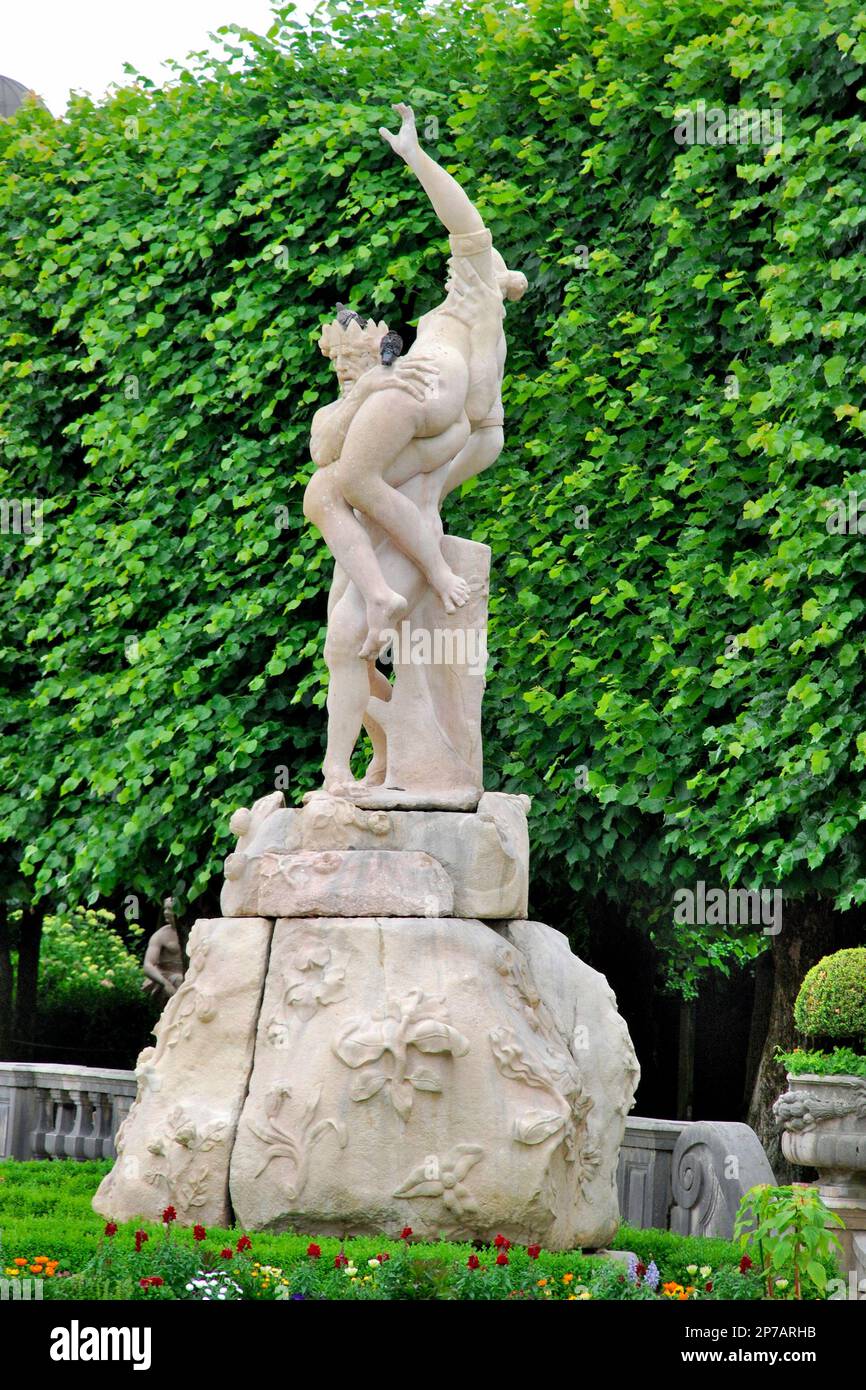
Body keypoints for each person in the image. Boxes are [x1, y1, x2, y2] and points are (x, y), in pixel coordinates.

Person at [303, 102, 527, 793]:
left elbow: (466, 224)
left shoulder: (474, 302)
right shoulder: (470, 330)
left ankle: (362, 757)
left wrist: (416, 156)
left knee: (333, 489)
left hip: (417, 413)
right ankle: (357, 764)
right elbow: (471, 445)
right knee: (344, 635)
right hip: (416, 432)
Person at [141, 897, 184, 1005]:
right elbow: (148, 965)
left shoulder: (193, 931)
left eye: (170, 909)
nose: (166, 912)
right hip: (167, 975)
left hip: (188, 974)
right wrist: (166, 984)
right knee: (179, 980)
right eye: (165, 909)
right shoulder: (161, 934)